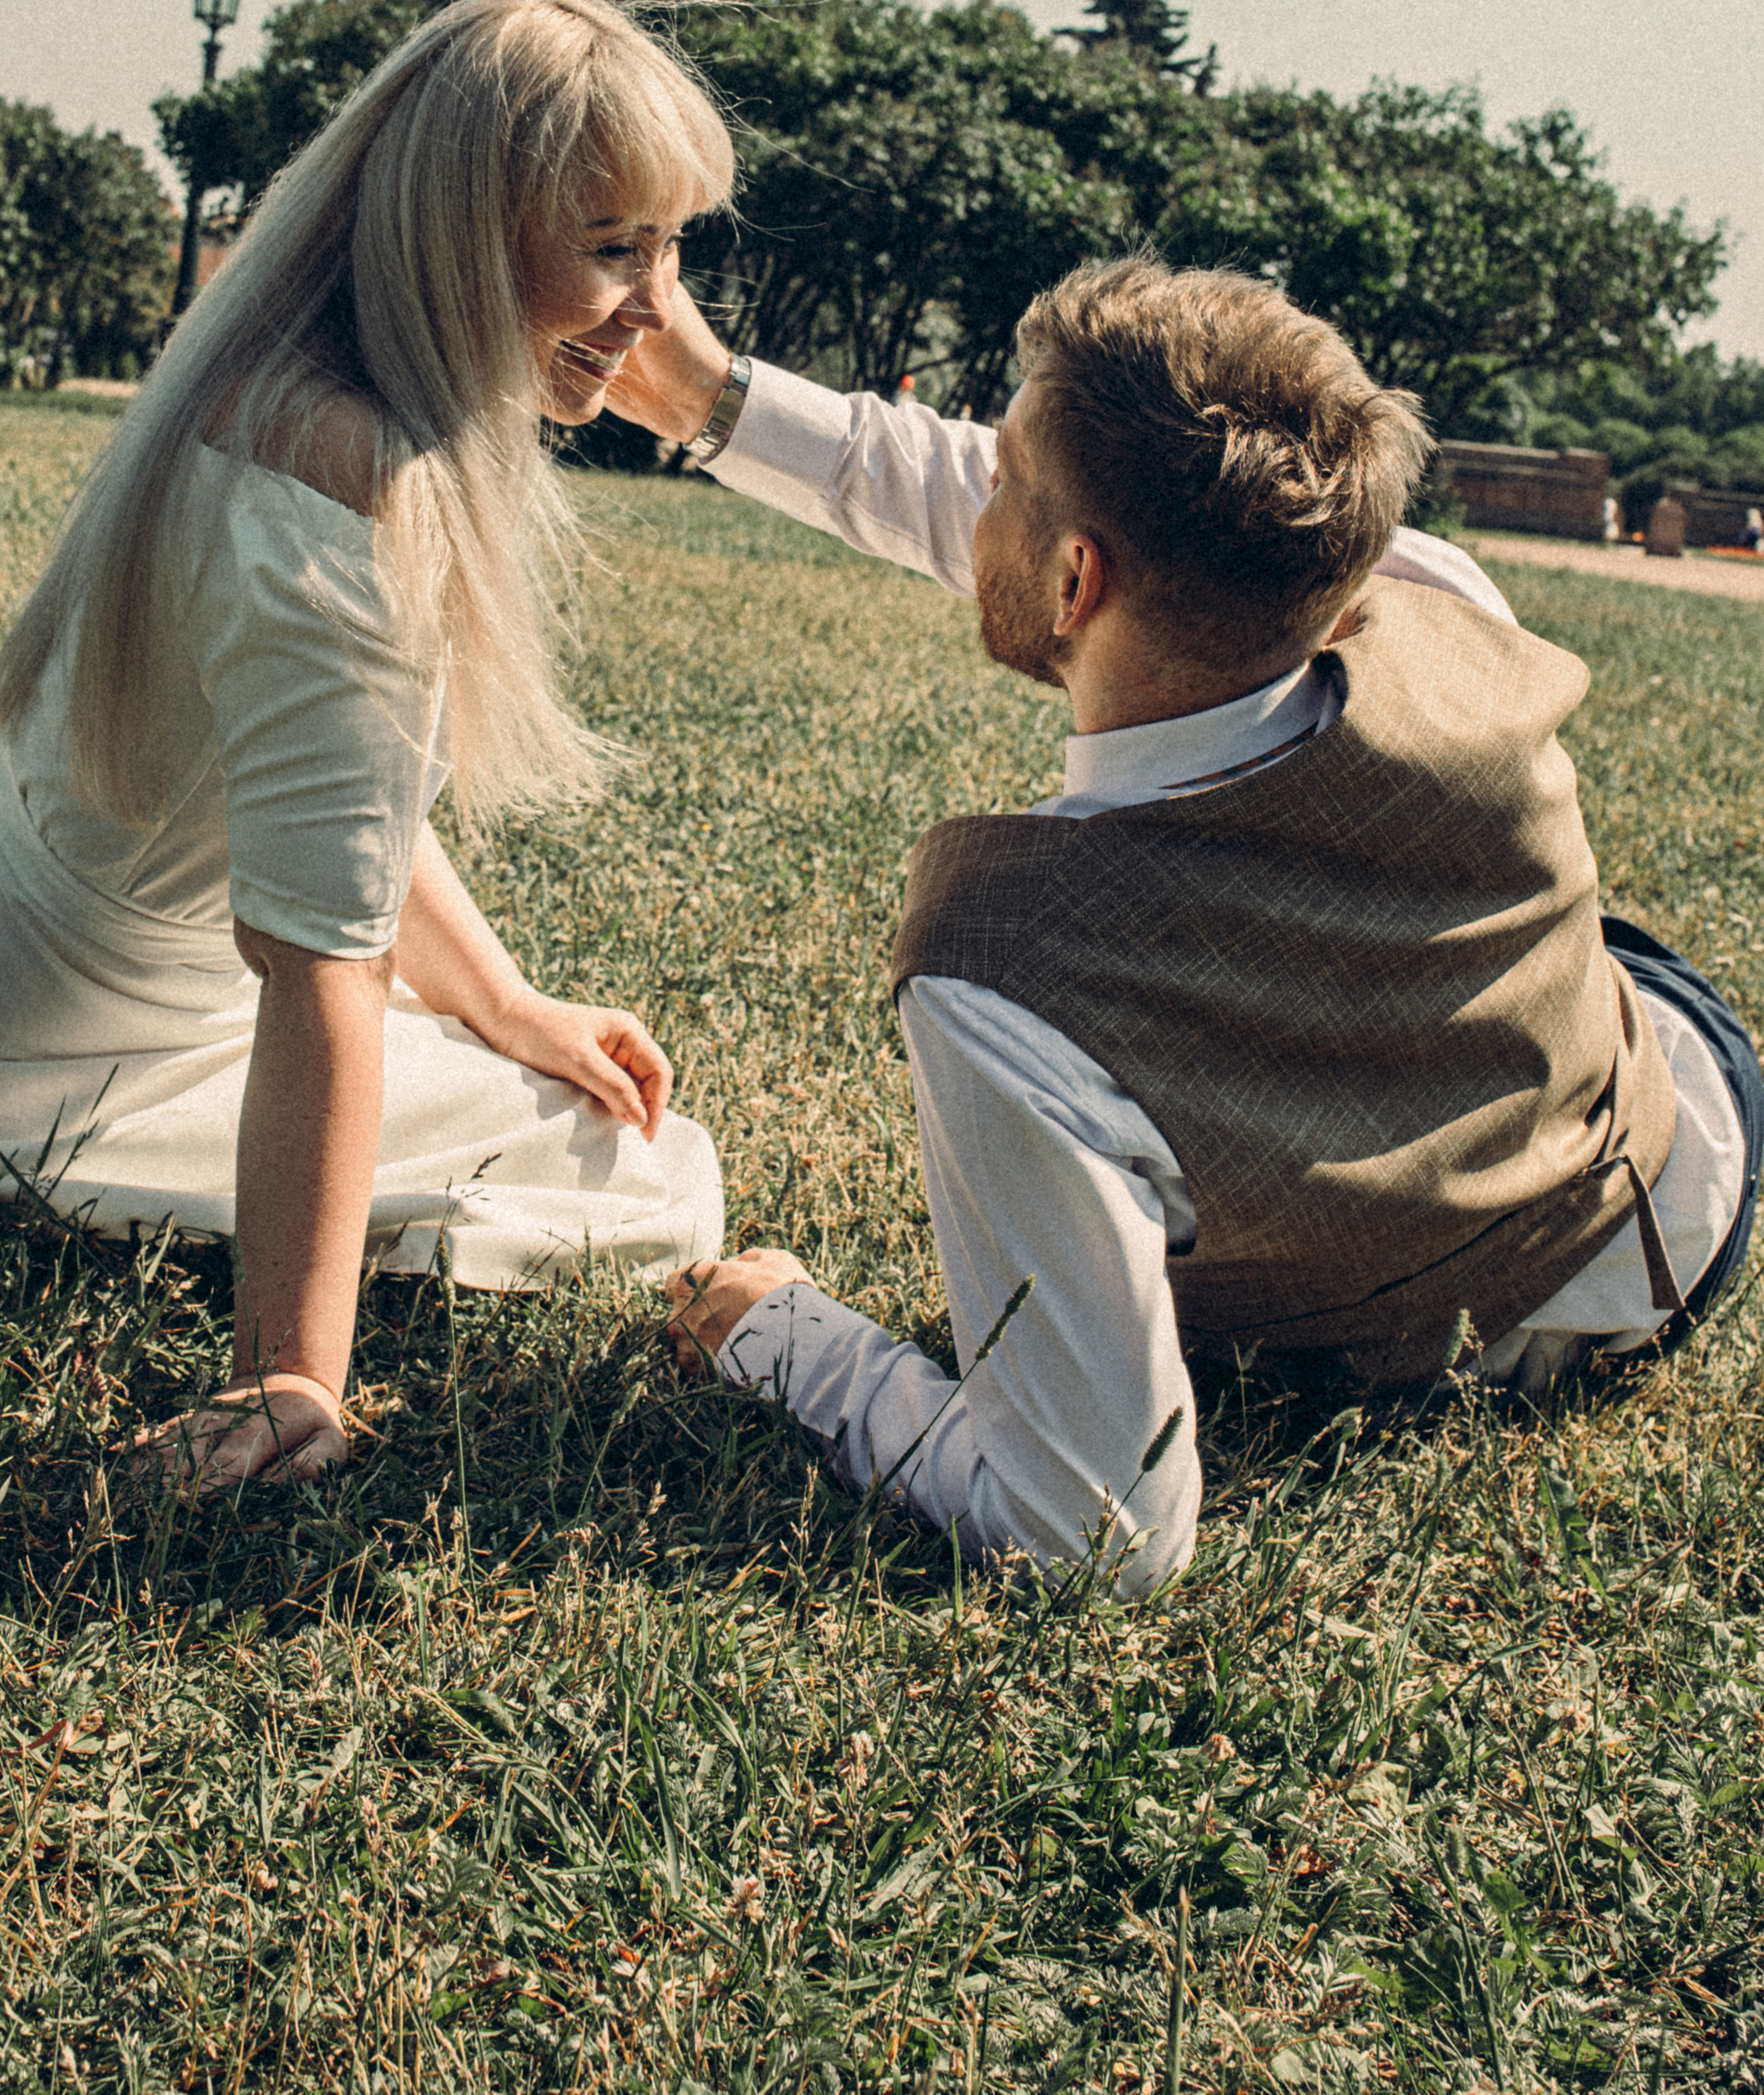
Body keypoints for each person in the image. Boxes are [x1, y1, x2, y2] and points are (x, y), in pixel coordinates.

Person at [0, 0, 733, 1491]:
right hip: (30, 1030)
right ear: (463, 238)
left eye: (674, 245)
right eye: (617, 248)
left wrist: (505, 1005)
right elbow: (320, 963)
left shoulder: (267, 383)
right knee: (639, 1177)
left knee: (509, 1081)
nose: (664, 308)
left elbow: (327, 806)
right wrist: (290, 1379)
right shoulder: (361, 485)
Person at [611, 259, 1761, 1595]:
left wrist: (789, 1338)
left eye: (999, 478)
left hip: (1491, 1325)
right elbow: (1084, 533)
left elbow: (1098, 1532)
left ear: (1076, 579)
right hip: (1687, 1130)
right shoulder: (1423, 589)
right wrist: (711, 396)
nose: (967, 493)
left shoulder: (1008, 976)